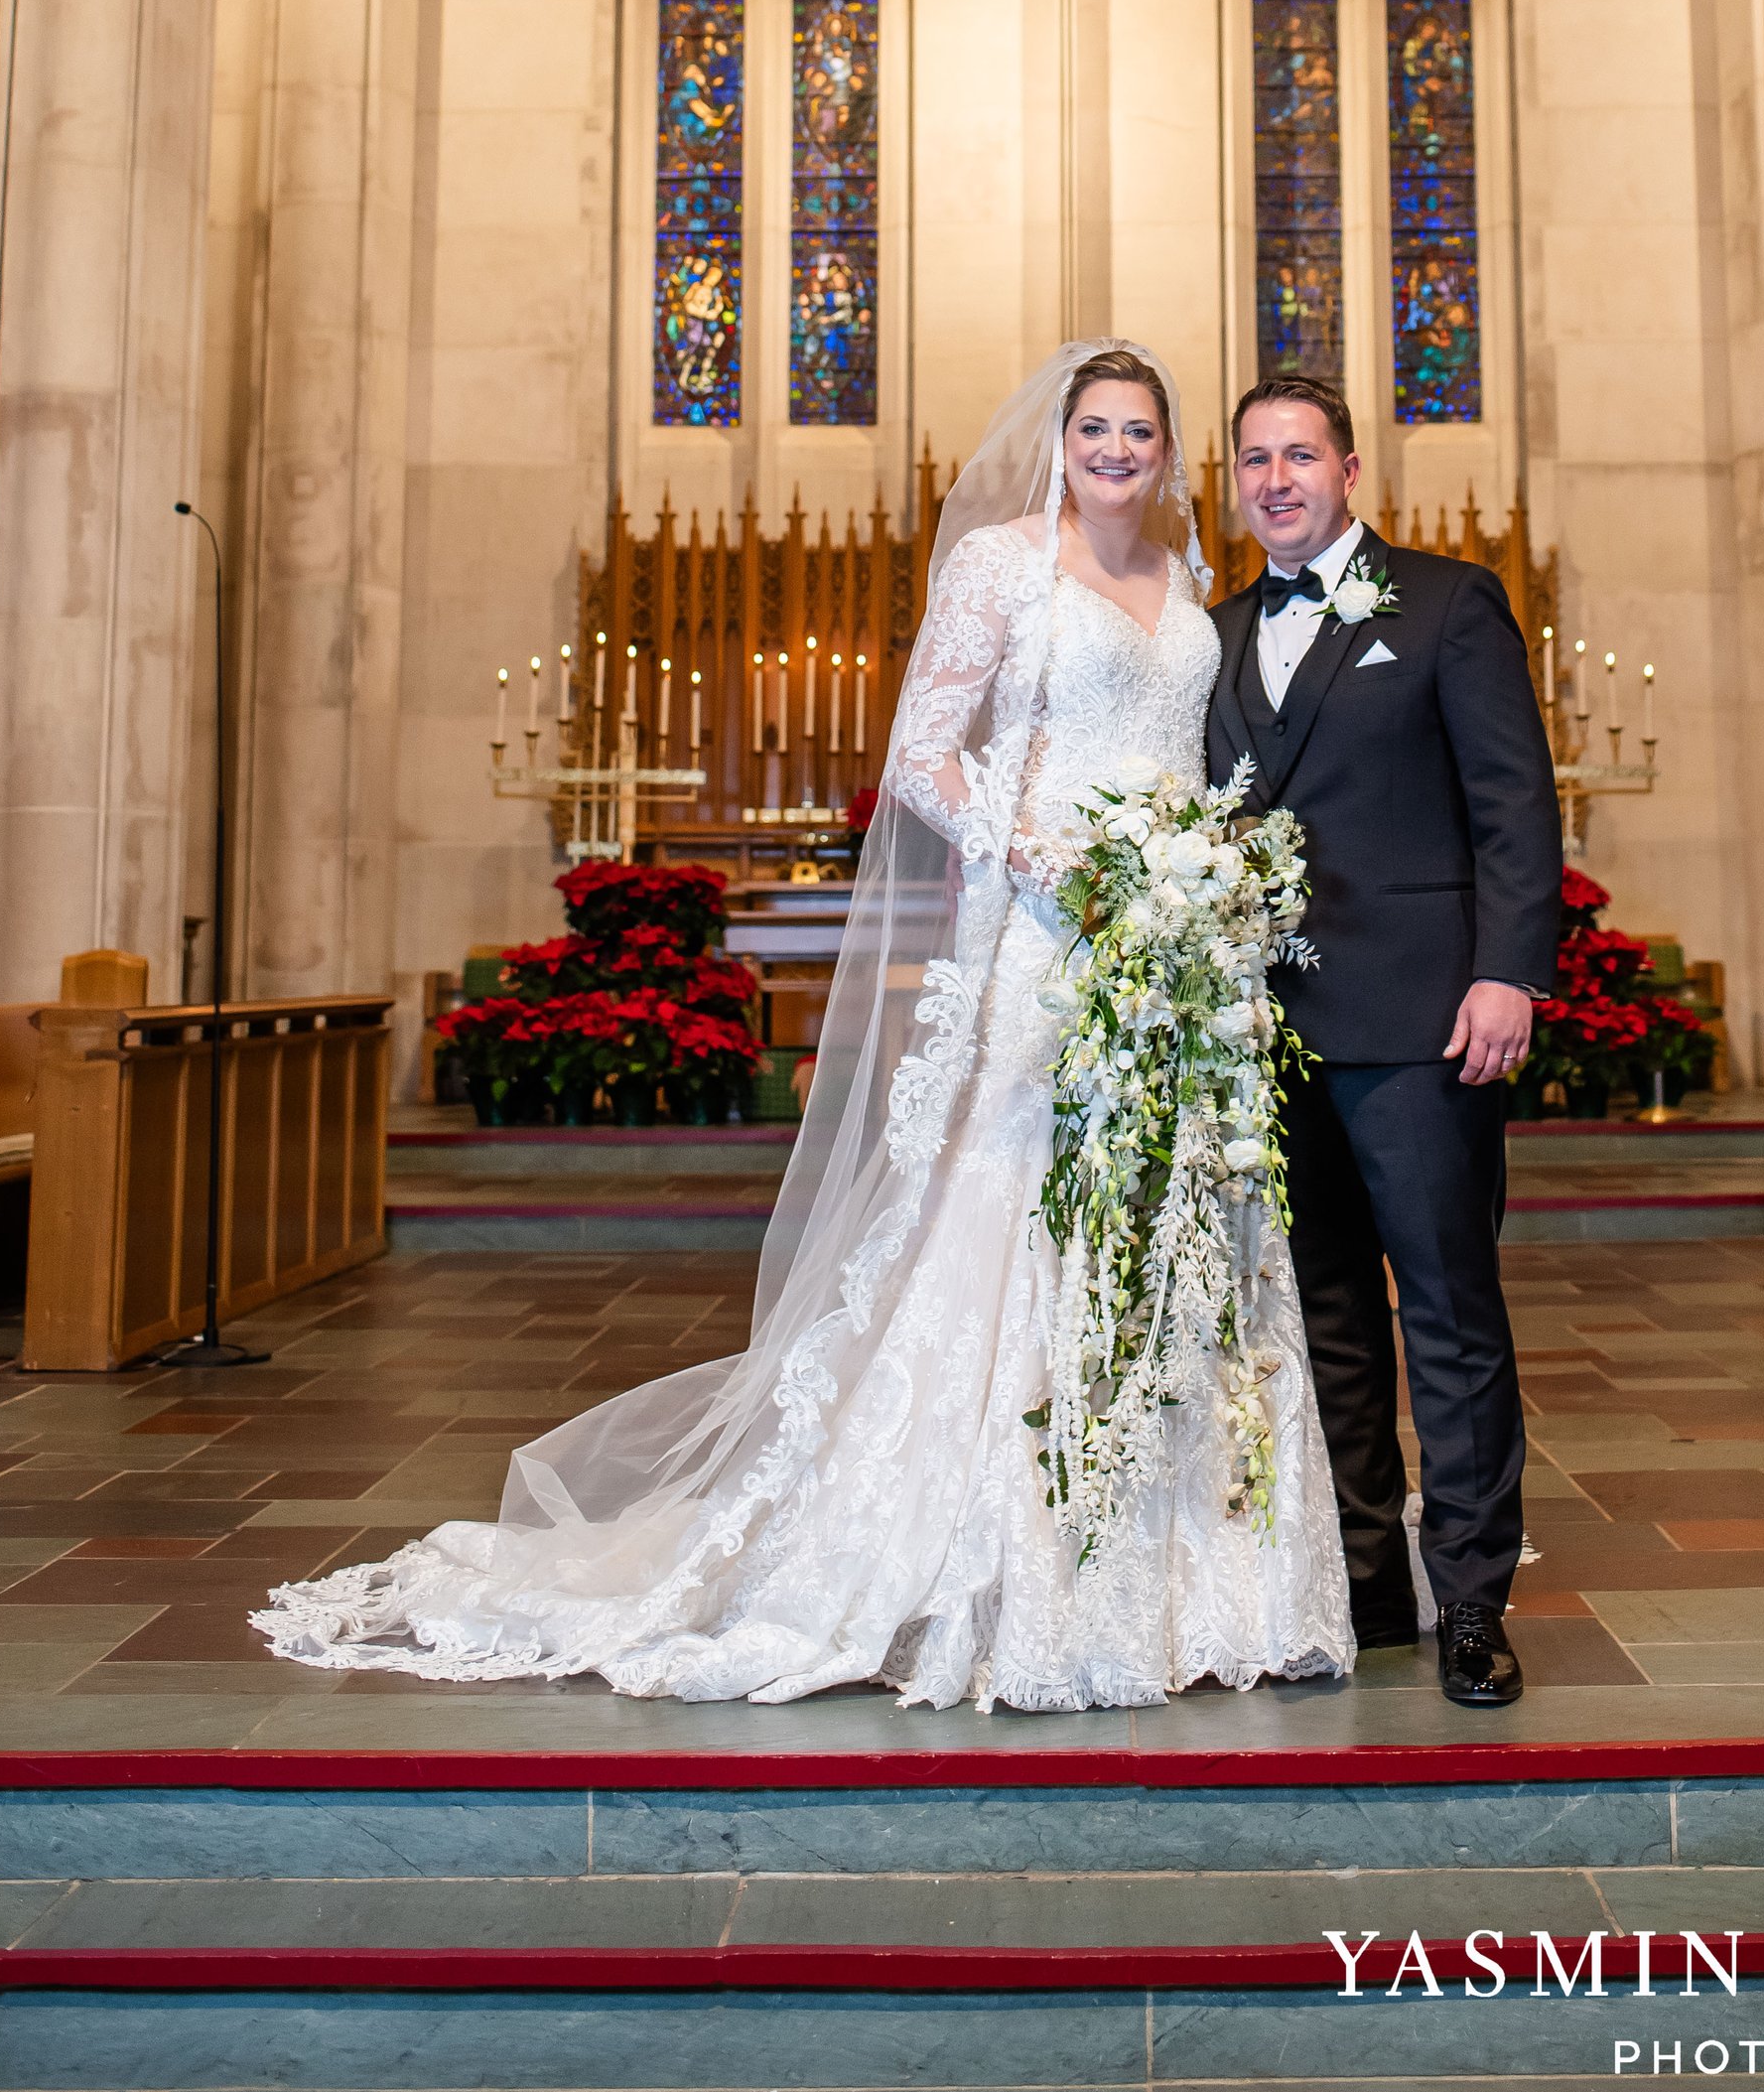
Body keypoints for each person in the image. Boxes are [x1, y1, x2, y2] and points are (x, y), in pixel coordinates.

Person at [254, 342, 1353, 1710]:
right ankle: (998, 1560)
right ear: (1059, 439)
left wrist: (1194, 885)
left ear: (1169, 448)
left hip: (1171, 957)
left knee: (1175, 1219)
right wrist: (1036, 849)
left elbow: (1192, 764)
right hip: (1048, 942)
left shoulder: (1190, 588)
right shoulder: (1004, 565)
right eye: (1095, 427)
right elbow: (922, 752)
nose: (1118, 449)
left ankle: (1197, 1569)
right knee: (1017, 1219)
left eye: (1140, 429)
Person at [1207, 372, 1561, 1709]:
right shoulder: (1219, 632)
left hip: (1424, 1022)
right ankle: (1367, 1578)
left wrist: (1505, 972)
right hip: (1272, 1035)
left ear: (1352, 469)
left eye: (1302, 453)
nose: (1279, 477)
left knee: (1452, 1312)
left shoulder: (1450, 605)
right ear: (1235, 481)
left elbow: (1512, 803)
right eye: (1256, 459)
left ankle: (1473, 1594)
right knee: (1332, 1320)